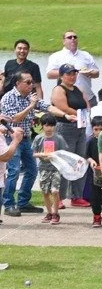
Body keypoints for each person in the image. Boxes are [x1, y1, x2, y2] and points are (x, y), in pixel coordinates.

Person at [1, 71, 50, 216]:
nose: (31, 85)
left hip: (26, 139)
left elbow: (46, 106)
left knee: (32, 170)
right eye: (28, 82)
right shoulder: (8, 97)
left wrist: (66, 114)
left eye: (32, 82)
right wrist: (31, 105)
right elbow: (14, 119)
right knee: (14, 171)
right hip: (11, 138)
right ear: (18, 83)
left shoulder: (30, 96)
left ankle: (23, 202)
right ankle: (9, 204)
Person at [50, 64, 91, 207]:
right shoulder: (59, 89)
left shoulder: (78, 89)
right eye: (69, 74)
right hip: (65, 127)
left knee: (80, 161)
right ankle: (59, 197)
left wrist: (85, 115)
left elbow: (86, 105)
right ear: (61, 76)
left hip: (80, 127)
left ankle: (76, 196)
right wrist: (81, 114)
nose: (72, 77)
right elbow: (64, 108)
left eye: (74, 74)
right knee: (64, 162)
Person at [46, 30, 99, 107]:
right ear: (64, 41)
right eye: (69, 37)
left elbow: (97, 73)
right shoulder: (56, 56)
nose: (73, 39)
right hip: (66, 99)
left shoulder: (86, 55)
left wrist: (89, 73)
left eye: (75, 37)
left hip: (88, 98)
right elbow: (49, 74)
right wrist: (68, 72)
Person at [32, 114, 66, 224]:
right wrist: (42, 154)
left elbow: (63, 153)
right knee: (45, 192)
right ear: (42, 125)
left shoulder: (59, 138)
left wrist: (55, 156)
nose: (49, 128)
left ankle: (56, 213)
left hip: (56, 168)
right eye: (46, 125)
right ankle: (49, 213)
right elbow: (34, 153)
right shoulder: (38, 138)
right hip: (43, 168)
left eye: (51, 125)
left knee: (55, 191)